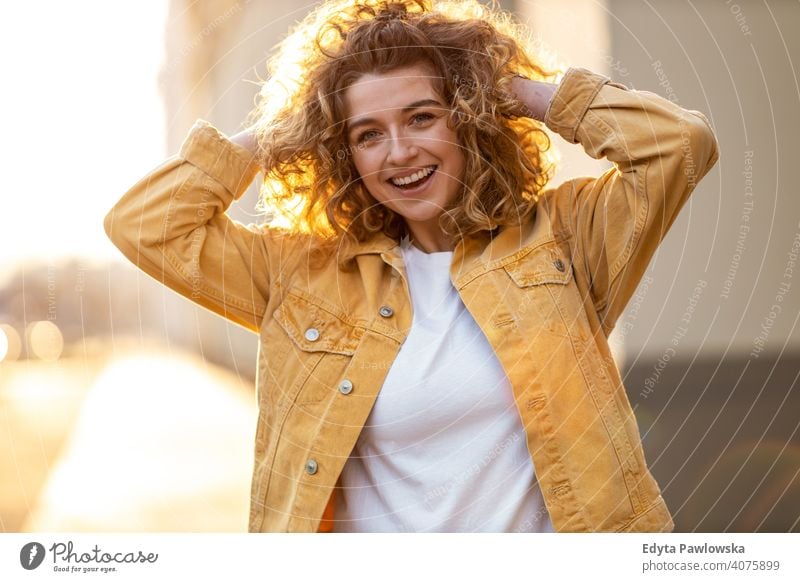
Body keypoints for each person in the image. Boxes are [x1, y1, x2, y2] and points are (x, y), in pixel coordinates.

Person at [104, 0, 719, 533]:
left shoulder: (563, 239)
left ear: (468, 118)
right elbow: (144, 224)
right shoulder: (300, 274)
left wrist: (520, 93)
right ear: (344, 152)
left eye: (422, 116)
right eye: (367, 134)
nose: (400, 153)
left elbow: (678, 146)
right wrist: (286, 133)